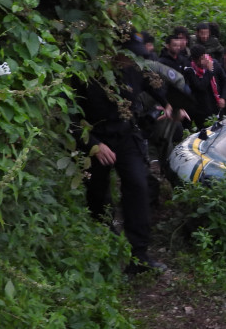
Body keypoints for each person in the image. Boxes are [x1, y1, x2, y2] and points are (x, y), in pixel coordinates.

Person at [72, 54, 168, 275]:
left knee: (138, 186)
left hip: (126, 136)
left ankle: (139, 256)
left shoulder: (134, 68)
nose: (130, 61)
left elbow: (157, 85)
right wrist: (94, 145)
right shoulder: (85, 71)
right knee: (97, 195)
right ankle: (106, 248)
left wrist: (169, 104)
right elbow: (68, 115)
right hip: (95, 138)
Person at [183, 44, 226, 129]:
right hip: (201, 110)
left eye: (203, 58)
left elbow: (225, 80)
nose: (202, 62)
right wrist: (209, 72)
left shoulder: (214, 63)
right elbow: (200, 86)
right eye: (199, 60)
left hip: (216, 105)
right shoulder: (189, 70)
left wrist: (223, 97)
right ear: (194, 60)